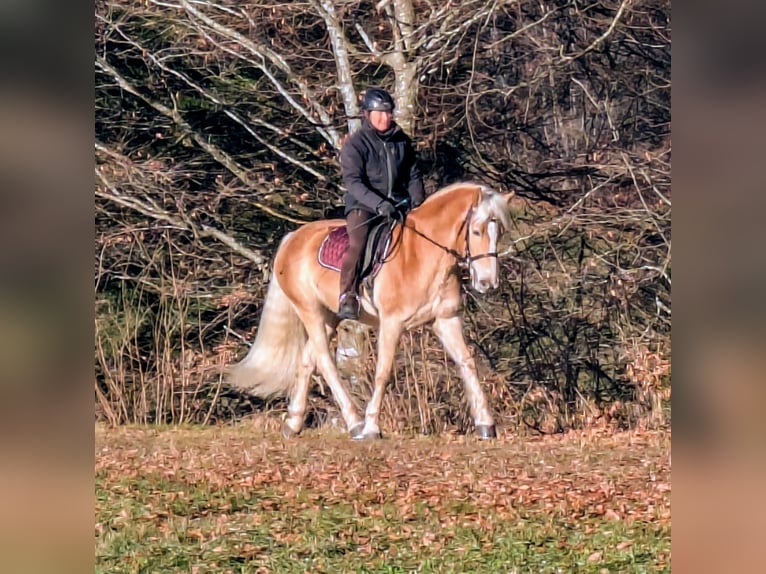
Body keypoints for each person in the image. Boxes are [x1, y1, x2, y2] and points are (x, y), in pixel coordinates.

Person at [337, 86, 426, 320]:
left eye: (388, 113)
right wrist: (378, 204)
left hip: (397, 204)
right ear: (367, 114)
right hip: (363, 205)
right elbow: (354, 182)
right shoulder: (356, 145)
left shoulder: (402, 142)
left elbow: (413, 175)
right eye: (379, 113)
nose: (384, 118)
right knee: (358, 243)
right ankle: (347, 296)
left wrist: (418, 202)